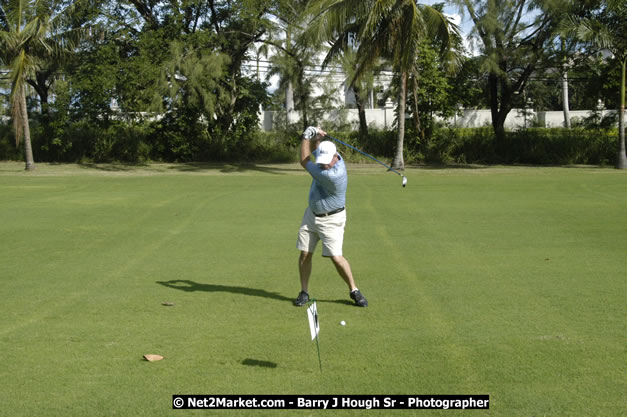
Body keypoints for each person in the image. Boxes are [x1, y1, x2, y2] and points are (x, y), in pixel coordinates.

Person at [294, 126, 368, 307]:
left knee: (336, 257)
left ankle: (354, 290)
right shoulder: (330, 158)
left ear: (336, 157)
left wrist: (306, 135)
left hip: (331, 220)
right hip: (311, 215)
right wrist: (317, 138)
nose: (323, 164)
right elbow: (315, 151)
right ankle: (304, 292)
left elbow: (304, 160)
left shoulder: (334, 175)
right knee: (305, 254)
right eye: (322, 160)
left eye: (327, 161)